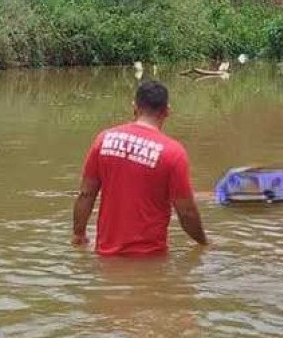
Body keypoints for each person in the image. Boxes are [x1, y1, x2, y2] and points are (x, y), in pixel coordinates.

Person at [73, 80, 209, 256]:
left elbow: (86, 194)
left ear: (134, 107)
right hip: (150, 257)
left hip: (106, 257)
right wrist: (203, 243)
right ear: (167, 111)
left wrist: (79, 233)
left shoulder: (104, 139)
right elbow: (186, 212)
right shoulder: (173, 153)